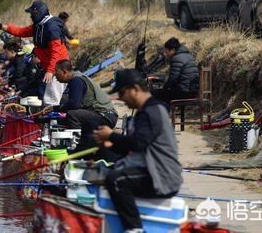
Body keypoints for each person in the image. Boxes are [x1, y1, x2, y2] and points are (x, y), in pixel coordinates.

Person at [93, 68, 182, 232]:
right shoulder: (147, 110)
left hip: (162, 176)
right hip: (152, 170)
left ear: (134, 89)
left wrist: (111, 136)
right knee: (107, 171)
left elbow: (138, 143)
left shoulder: (152, 111)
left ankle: (134, 228)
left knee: (117, 180)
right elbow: (136, 145)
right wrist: (112, 144)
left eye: (121, 93)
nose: (121, 99)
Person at [0, 0, 69, 106]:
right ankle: (47, 120)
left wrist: (50, 71)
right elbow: (20, 31)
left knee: (51, 99)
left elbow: (56, 52)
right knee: (47, 98)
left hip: (58, 68)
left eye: (32, 13)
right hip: (48, 67)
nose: (31, 15)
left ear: (39, 13)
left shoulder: (51, 28)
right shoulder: (38, 26)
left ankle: (52, 122)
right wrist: (2, 27)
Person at [53, 59, 118, 152]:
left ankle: (77, 146)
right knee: (65, 116)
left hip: (105, 115)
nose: (55, 75)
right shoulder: (75, 79)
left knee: (72, 114)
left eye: (56, 72)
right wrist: (54, 109)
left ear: (64, 72)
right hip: (98, 114)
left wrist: (56, 109)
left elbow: (74, 105)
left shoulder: (76, 81)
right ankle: (82, 142)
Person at [153, 37, 199, 106]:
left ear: (173, 50)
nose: (166, 54)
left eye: (167, 51)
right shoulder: (189, 56)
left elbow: (173, 79)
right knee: (166, 92)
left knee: (154, 93)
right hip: (193, 92)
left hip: (183, 93)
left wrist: (164, 87)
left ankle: (159, 115)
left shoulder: (176, 58)